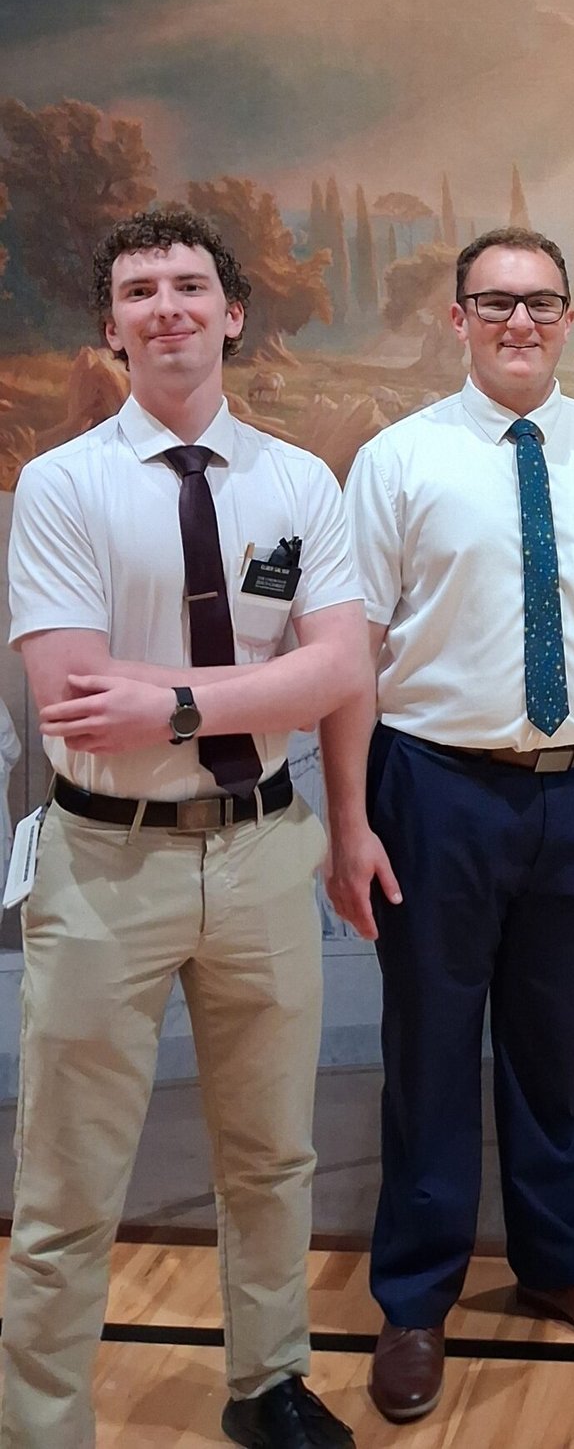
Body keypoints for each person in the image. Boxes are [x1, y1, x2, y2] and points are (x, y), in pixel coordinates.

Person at [3, 205, 369, 1449]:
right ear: (112, 329)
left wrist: (165, 699)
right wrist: (258, 689)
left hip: (263, 850)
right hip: (105, 860)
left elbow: (340, 672)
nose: (168, 307)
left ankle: (269, 1385)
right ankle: (44, 1425)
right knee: (68, 1181)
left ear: (233, 313)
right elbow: (73, 700)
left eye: (190, 285)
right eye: (140, 291)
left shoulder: (300, 482)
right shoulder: (62, 486)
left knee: (271, 1157)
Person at [325, 228, 574, 1425]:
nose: (518, 322)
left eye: (539, 302)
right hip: (435, 789)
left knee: (552, 1047)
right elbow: (352, 652)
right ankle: (415, 1300)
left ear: (568, 317)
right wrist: (349, 820)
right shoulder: (398, 460)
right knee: (430, 1049)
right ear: (458, 320)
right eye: (494, 303)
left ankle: (557, 1263)